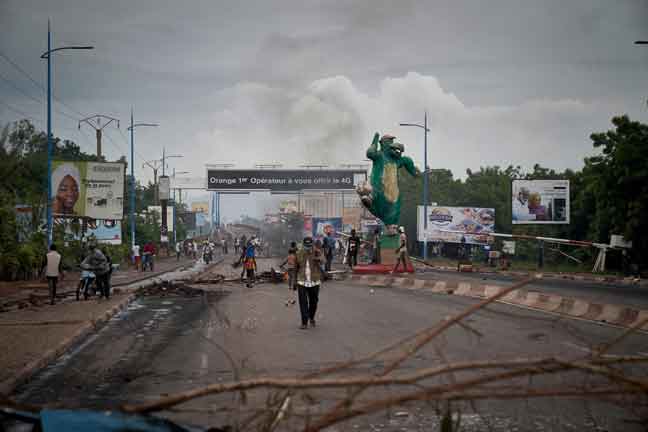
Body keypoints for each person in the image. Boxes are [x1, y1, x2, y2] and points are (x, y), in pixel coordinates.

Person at [295, 237, 323, 329]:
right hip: (302, 281)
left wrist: (318, 257)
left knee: (314, 302)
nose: (308, 248)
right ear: (303, 245)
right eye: (306, 246)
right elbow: (296, 267)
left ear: (312, 245)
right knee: (303, 302)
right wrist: (294, 281)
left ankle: (311, 317)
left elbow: (324, 261)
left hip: (314, 281)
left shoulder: (317, 252)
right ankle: (304, 322)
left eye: (310, 246)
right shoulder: (298, 253)